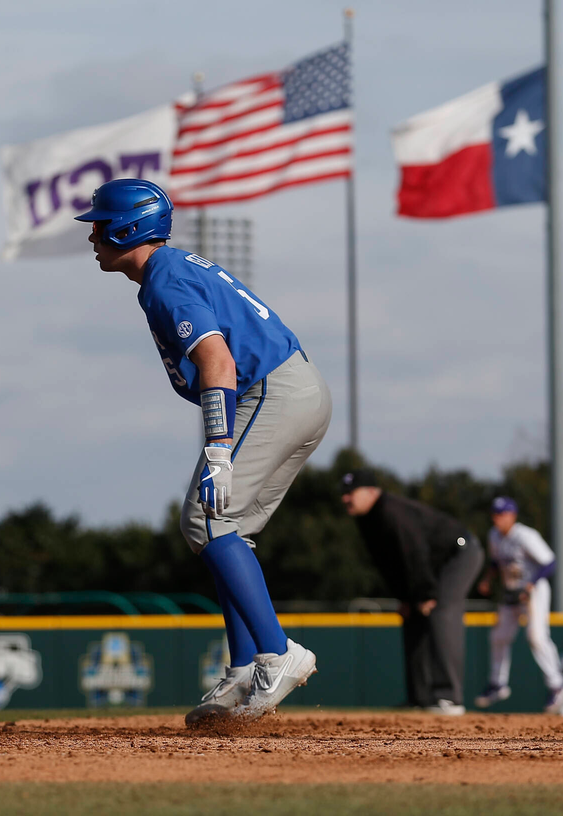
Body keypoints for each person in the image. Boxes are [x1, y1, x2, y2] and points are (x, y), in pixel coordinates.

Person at [75, 179, 331, 725]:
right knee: (227, 527)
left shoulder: (164, 281)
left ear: (128, 228)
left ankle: (277, 652)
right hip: (298, 389)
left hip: (273, 391)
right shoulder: (169, 270)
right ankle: (244, 670)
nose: (92, 235)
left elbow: (218, 363)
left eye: (99, 225)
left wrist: (218, 450)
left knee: (204, 520)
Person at [341, 470, 484, 715]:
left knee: (441, 612)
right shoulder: (367, 518)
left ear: (372, 491)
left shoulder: (391, 512)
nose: (345, 498)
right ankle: (420, 697)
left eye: (351, 493)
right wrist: (406, 598)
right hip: (432, 565)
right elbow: (388, 563)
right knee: (413, 618)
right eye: (343, 493)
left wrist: (425, 593)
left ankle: (449, 697)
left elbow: (414, 552)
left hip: (459, 553)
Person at [473, 496, 563, 712]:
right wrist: (488, 578)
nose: (497, 518)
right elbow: (496, 561)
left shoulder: (525, 535)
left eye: (502, 514)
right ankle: (497, 684)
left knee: (536, 636)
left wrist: (530, 585)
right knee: (498, 637)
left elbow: (550, 562)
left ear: (512, 515)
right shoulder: (494, 535)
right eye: (495, 514)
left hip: (534, 591)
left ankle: (557, 685)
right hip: (511, 591)